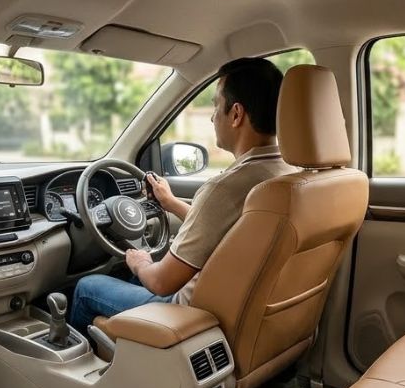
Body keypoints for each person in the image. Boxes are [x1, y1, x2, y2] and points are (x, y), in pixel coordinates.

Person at [69, 57, 296, 333]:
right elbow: (231, 236)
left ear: (236, 114)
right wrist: (171, 203)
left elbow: (162, 283)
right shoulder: (288, 175)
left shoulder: (225, 188)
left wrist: (141, 263)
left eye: (215, 105)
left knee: (86, 287)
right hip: (247, 315)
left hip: (187, 311)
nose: (213, 116)